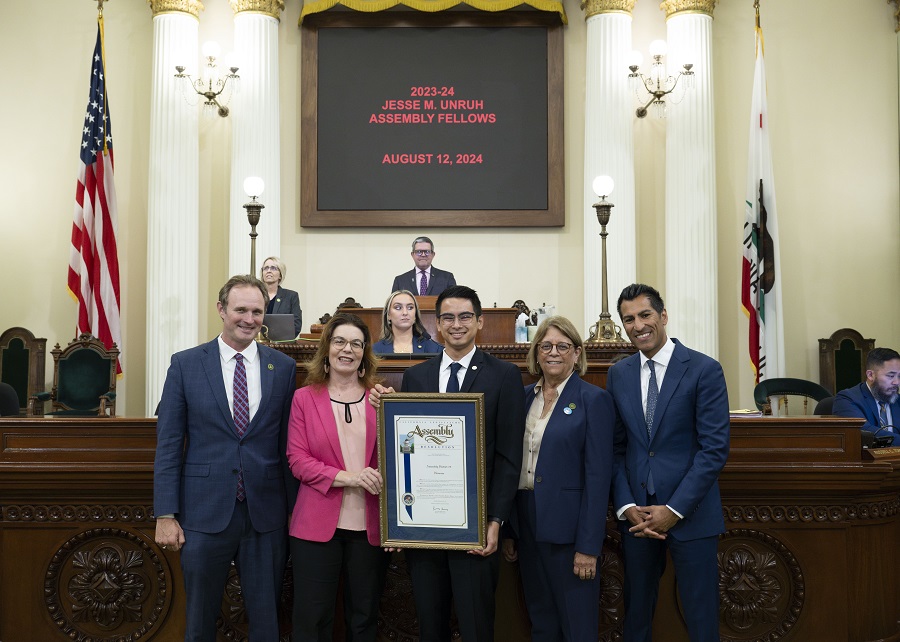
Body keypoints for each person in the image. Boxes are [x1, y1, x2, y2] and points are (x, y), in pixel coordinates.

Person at [371, 284, 525, 641]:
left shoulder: (504, 376)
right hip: (424, 530)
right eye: (448, 318)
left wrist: (495, 520)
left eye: (465, 317)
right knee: (430, 625)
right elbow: (405, 450)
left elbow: (507, 458)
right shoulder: (417, 377)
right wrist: (397, 517)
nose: (457, 324)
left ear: (480, 322)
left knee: (476, 626)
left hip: (475, 528)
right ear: (437, 324)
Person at [154, 274, 297, 642]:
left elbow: (285, 448)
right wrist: (166, 514)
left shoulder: (281, 368)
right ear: (221, 310)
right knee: (200, 619)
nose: (249, 319)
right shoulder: (185, 364)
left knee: (267, 620)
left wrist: (294, 515)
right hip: (202, 514)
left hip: (265, 515)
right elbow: (169, 443)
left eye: (257, 311)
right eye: (240, 310)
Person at [606, 283, 729, 642]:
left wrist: (674, 510)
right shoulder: (619, 373)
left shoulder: (704, 369)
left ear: (663, 315)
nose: (638, 325)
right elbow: (616, 448)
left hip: (691, 514)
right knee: (637, 616)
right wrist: (627, 505)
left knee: (701, 615)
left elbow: (714, 449)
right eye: (628, 319)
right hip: (638, 518)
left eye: (645, 315)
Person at [501, 315, 614, 641]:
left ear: (577, 353)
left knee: (577, 625)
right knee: (541, 621)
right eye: (546, 346)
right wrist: (510, 529)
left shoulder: (594, 400)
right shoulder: (522, 398)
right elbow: (509, 464)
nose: (554, 352)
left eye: (563, 346)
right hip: (526, 522)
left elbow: (598, 477)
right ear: (536, 353)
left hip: (570, 532)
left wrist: (588, 547)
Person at [287, 313, 389, 641]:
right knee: (312, 619)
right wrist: (350, 477)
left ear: (364, 353)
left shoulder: (381, 398)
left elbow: (403, 456)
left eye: (356, 343)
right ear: (327, 348)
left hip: (370, 527)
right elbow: (298, 461)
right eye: (340, 341)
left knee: (364, 619)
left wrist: (392, 409)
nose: (348, 349)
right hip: (315, 527)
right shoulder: (304, 398)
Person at [833, 347, 900, 445]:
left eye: (899, 376)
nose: (897, 382)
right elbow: (864, 432)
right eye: (890, 376)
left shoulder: (898, 400)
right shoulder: (847, 399)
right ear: (870, 375)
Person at [373, 289, 443, 354]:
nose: (405, 312)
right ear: (388, 315)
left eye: (410, 308)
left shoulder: (434, 349)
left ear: (415, 315)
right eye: (398, 307)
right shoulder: (375, 350)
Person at [390, 236, 456, 296]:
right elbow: (394, 305)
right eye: (419, 251)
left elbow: (454, 303)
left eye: (427, 251)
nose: (423, 255)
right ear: (412, 255)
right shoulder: (400, 280)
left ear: (433, 254)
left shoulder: (447, 278)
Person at [261, 255, 303, 335]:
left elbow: (296, 326)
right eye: (266, 268)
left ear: (280, 275)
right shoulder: (256, 295)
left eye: (273, 268)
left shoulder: (291, 296)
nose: (269, 271)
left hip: (281, 344)